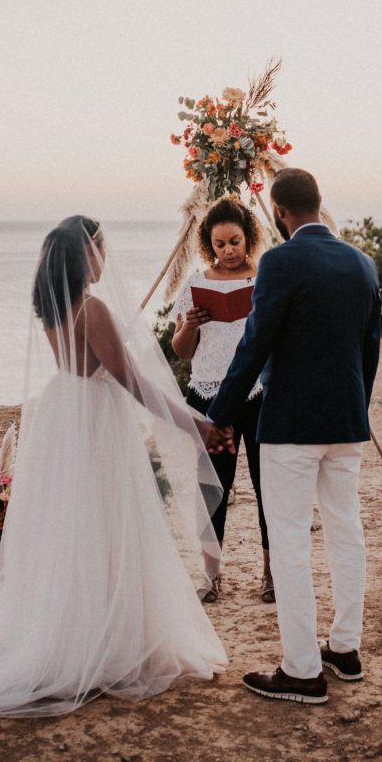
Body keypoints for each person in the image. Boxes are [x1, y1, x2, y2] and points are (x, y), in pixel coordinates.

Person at [0, 216, 227, 717]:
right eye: (103, 251)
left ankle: (82, 632)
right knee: (104, 526)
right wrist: (196, 424)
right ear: (87, 256)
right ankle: (97, 646)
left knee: (75, 529)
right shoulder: (93, 308)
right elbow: (133, 383)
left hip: (67, 414)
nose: (107, 261)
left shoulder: (56, 308)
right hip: (96, 423)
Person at [203, 170, 381, 705]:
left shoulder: (280, 262)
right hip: (347, 422)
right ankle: (345, 648)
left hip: (292, 426)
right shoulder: (362, 263)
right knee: (346, 529)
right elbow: (369, 350)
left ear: (278, 212)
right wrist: (356, 409)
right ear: (318, 204)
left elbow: (254, 344)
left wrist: (220, 413)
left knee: (290, 540)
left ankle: (302, 669)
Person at [172, 196, 273, 603]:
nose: (228, 251)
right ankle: (212, 577)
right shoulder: (196, 283)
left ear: (249, 237)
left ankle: (271, 575)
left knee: (270, 486)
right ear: (207, 245)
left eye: (235, 241)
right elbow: (181, 350)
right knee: (212, 486)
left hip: (258, 394)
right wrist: (191, 326)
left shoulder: (265, 278)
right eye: (219, 244)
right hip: (209, 397)